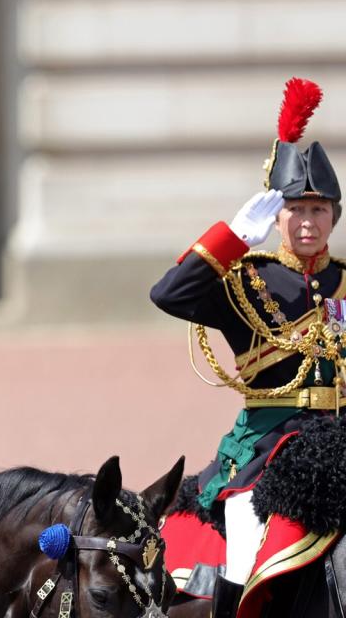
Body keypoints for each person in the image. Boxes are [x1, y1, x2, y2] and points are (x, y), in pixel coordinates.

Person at [151, 77, 345, 617]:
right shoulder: (244, 281)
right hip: (270, 444)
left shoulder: (345, 283)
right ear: (276, 216)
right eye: (295, 210)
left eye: (319, 210)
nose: (307, 222)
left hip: (343, 431)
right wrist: (232, 238)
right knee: (246, 533)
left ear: (334, 216)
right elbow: (168, 294)